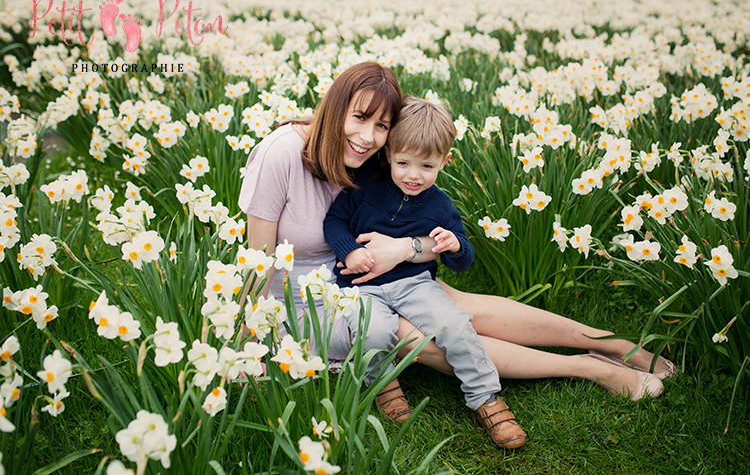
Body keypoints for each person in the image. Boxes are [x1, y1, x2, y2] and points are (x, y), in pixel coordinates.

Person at [238, 62, 673, 442]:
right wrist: (242, 344)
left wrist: (406, 249)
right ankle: (592, 369)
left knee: (466, 308)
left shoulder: (373, 157)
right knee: (410, 336)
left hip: (382, 271)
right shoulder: (281, 154)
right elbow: (257, 264)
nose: (368, 137)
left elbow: (420, 229)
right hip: (306, 300)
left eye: (382, 126)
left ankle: (621, 347)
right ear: (336, 107)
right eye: (359, 118)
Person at [323, 95, 526, 449]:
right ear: (388, 156)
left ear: (444, 162)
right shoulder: (366, 186)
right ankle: (385, 385)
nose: (414, 176)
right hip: (360, 285)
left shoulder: (440, 205)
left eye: (427, 167)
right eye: (404, 163)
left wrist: (454, 245)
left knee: (457, 327)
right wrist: (349, 250)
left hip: (415, 285)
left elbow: (462, 260)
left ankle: (486, 399)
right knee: (373, 331)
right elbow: (334, 221)